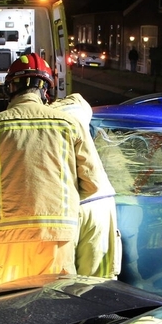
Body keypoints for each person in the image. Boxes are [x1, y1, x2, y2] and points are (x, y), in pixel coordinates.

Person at [0, 53, 103, 289]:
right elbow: (93, 183)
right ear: (46, 90)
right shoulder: (69, 125)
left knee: (2, 304)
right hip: (57, 238)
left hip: (6, 239)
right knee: (53, 304)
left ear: (10, 88)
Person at [48, 92, 121, 279]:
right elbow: (93, 178)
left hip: (63, 207)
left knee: (62, 280)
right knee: (98, 280)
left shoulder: (44, 119)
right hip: (98, 203)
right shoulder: (80, 109)